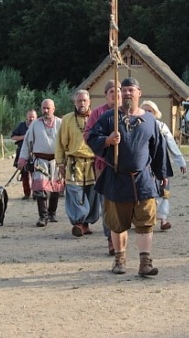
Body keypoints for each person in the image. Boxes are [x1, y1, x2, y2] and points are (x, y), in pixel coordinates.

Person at [87, 77, 169, 277]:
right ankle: (119, 260)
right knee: (117, 224)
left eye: (131, 90)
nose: (126, 93)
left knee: (145, 223)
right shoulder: (109, 117)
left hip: (143, 180)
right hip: (116, 178)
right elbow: (91, 137)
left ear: (139, 93)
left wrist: (161, 173)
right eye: (123, 90)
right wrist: (107, 140)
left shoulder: (150, 120)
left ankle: (145, 263)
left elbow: (158, 148)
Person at [55, 89, 99, 238]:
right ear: (74, 102)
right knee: (75, 192)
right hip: (74, 164)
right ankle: (78, 222)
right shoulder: (67, 119)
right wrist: (60, 162)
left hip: (92, 164)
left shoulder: (96, 117)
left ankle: (85, 224)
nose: (82, 103)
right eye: (79, 101)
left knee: (91, 194)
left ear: (89, 101)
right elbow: (60, 143)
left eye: (84, 100)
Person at [84, 79, 120, 256]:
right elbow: (88, 136)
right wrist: (106, 140)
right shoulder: (98, 113)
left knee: (124, 204)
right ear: (106, 95)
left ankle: (121, 237)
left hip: (126, 166)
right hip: (104, 165)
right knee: (107, 204)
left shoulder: (129, 112)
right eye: (112, 91)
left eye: (118, 91)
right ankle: (111, 239)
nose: (116, 94)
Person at [140, 100, 187, 231]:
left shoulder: (161, 127)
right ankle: (145, 219)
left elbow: (171, 144)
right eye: (145, 110)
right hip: (144, 165)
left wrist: (181, 162)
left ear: (155, 113)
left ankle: (163, 220)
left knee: (163, 192)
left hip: (161, 164)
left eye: (150, 111)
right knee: (146, 193)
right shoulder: (138, 126)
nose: (147, 113)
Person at [18, 99, 64, 227]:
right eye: (43, 108)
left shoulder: (61, 123)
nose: (45, 110)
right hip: (40, 162)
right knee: (40, 189)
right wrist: (22, 159)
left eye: (48, 108)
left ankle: (52, 213)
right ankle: (43, 217)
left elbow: (67, 142)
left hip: (56, 161)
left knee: (55, 189)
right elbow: (27, 142)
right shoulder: (35, 124)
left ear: (54, 109)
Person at [11, 108, 37, 199]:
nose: (31, 119)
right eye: (30, 117)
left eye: (33, 117)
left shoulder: (38, 126)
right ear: (27, 117)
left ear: (36, 117)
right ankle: (27, 194)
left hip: (35, 154)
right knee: (24, 175)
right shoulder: (21, 126)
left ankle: (36, 193)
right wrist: (24, 137)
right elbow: (13, 137)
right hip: (22, 153)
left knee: (35, 175)